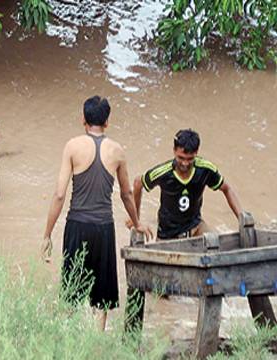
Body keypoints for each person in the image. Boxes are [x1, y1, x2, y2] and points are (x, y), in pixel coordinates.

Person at [41, 96, 152, 331]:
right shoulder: (118, 151)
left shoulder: (72, 146)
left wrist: (47, 234)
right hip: (103, 229)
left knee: (72, 292)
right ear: (107, 122)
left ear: (83, 118)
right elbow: (126, 194)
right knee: (100, 298)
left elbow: (60, 195)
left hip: (77, 226)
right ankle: (97, 346)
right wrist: (137, 222)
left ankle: (70, 346)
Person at [130, 129, 242, 240]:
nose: (185, 163)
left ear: (196, 152)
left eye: (190, 159)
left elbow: (227, 189)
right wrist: (136, 220)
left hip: (196, 227)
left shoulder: (205, 170)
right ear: (174, 151)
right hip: (168, 234)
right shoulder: (163, 173)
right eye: (181, 158)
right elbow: (138, 183)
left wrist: (241, 218)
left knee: (215, 244)